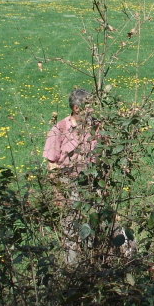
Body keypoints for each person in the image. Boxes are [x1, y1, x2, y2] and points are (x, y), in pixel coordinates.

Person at [42, 88, 98, 264]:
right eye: (89, 107)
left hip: (92, 182)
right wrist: (58, 191)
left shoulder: (96, 127)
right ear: (76, 108)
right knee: (71, 226)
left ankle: (92, 263)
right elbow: (52, 164)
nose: (92, 111)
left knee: (94, 225)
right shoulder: (59, 129)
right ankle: (72, 267)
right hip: (69, 181)